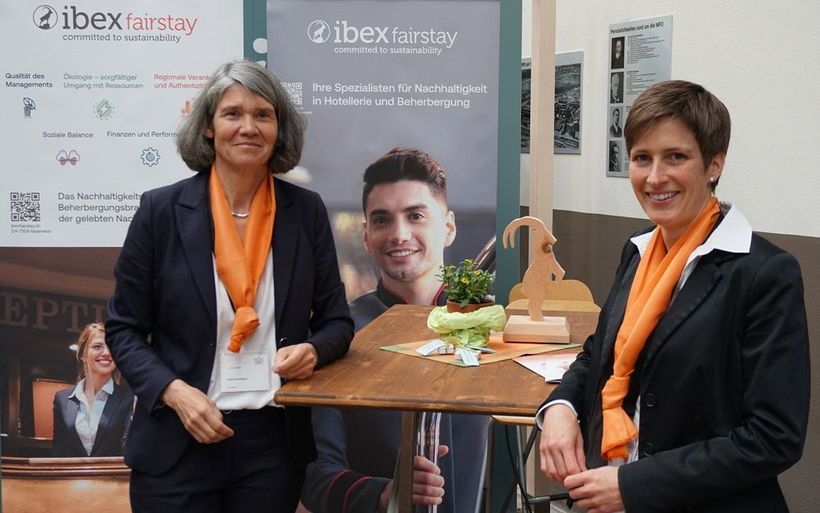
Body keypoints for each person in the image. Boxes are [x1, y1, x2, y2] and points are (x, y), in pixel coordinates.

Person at [537, 80, 810, 513]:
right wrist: (560, 407)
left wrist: (635, 485)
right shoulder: (638, 250)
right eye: (642, 158)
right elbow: (597, 354)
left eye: (676, 157)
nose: (655, 177)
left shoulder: (764, 273)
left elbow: (774, 435)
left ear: (714, 164)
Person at [106, 60, 353, 513]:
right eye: (232, 113)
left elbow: (337, 321)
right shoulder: (161, 211)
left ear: (279, 129)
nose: (248, 127)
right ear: (208, 126)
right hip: (178, 436)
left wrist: (314, 350)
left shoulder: (305, 211)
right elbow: (123, 329)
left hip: (272, 447)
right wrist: (175, 392)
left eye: (263, 115)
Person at [301, 148, 489, 513]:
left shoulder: (492, 329)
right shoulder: (336, 336)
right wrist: (385, 493)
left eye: (415, 216)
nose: (399, 234)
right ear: (367, 235)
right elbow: (315, 474)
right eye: (382, 219)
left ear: (449, 227)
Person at [52, 322, 133, 457]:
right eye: (97, 346)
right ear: (82, 355)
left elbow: (129, 450)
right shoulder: (62, 399)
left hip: (113, 471)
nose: (106, 353)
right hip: (72, 471)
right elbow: (58, 450)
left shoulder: (129, 398)